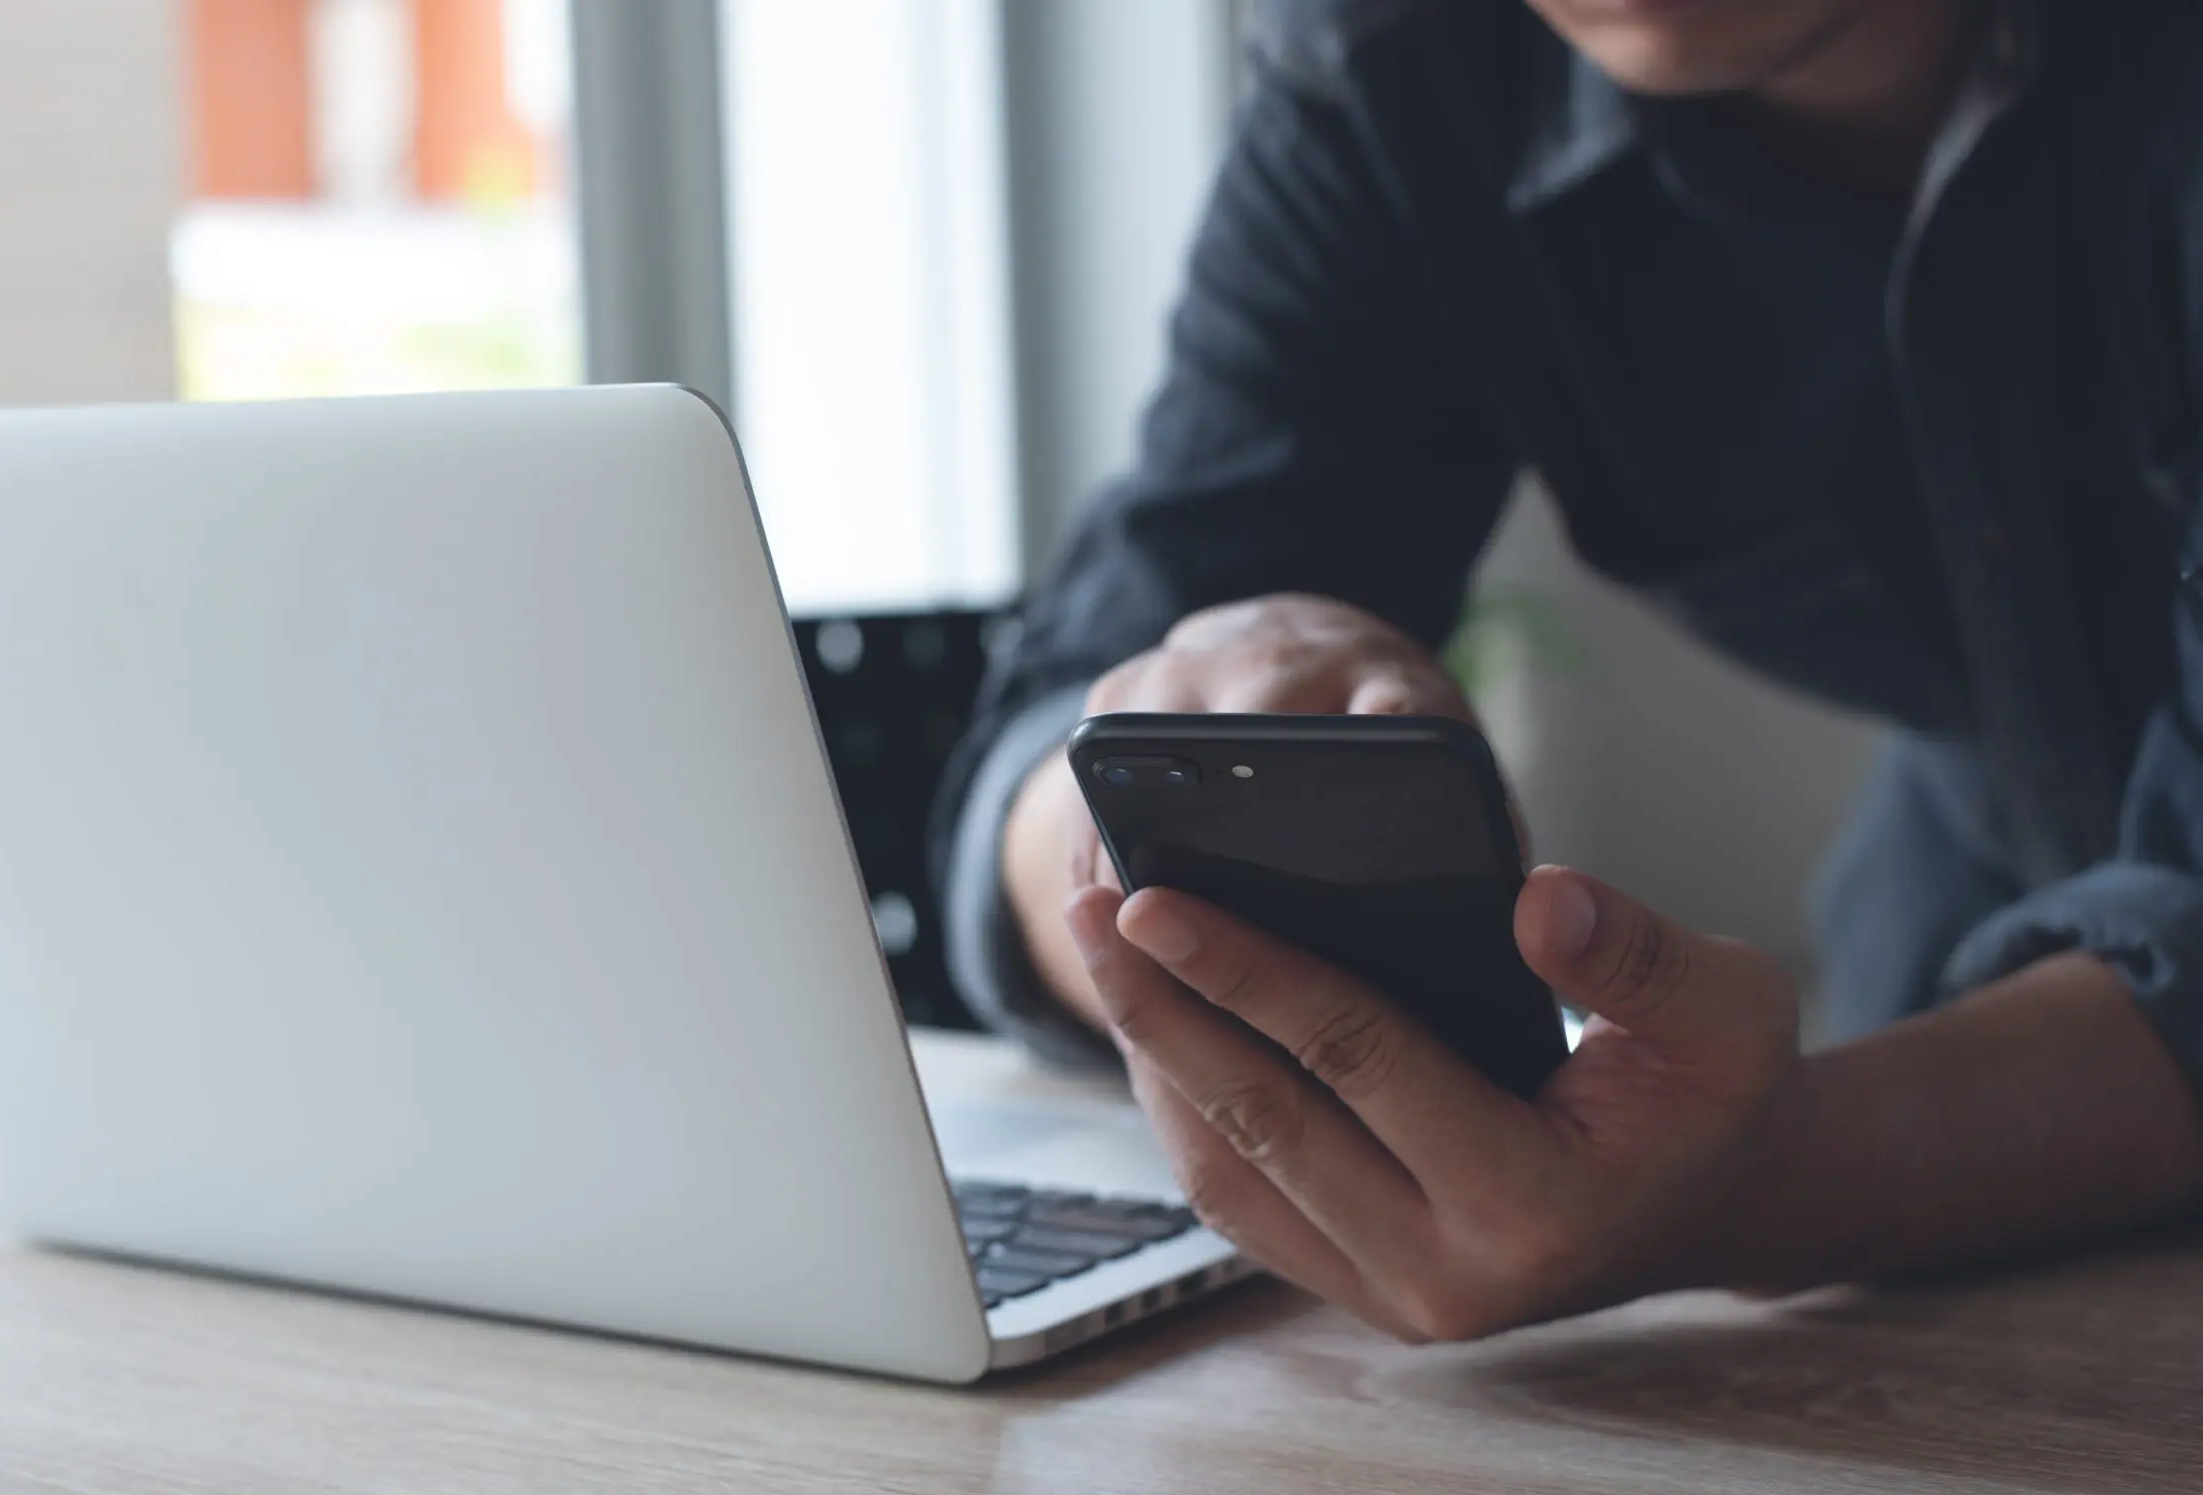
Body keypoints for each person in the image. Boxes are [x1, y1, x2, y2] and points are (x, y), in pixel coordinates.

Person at [931, 0, 2203, 1343]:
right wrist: (1122, 825)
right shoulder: (1404, 62)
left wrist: (1764, 1176)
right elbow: (1054, 728)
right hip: (1964, 1091)